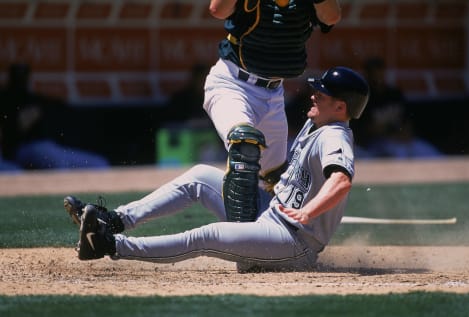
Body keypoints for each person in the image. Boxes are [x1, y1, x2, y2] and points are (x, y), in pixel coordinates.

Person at [63, 66, 369, 272]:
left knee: (206, 236)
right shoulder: (317, 123)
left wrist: (308, 212)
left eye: (322, 94)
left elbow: (341, 180)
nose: (313, 94)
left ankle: (109, 244)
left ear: (341, 108)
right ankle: (115, 220)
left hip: (294, 241)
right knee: (199, 177)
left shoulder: (334, 135)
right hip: (271, 214)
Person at [203, 0, 342, 222]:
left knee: (276, 179)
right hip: (232, 84)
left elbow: (331, 16)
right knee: (244, 144)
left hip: (273, 93)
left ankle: (278, 243)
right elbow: (217, 10)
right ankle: (241, 238)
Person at [0, 63, 109, 170]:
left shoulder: (35, 99)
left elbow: (56, 106)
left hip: (50, 146)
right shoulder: (6, 99)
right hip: (26, 148)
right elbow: (12, 133)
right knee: (57, 163)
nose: (21, 79)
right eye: (18, 75)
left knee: (99, 163)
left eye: (23, 75)